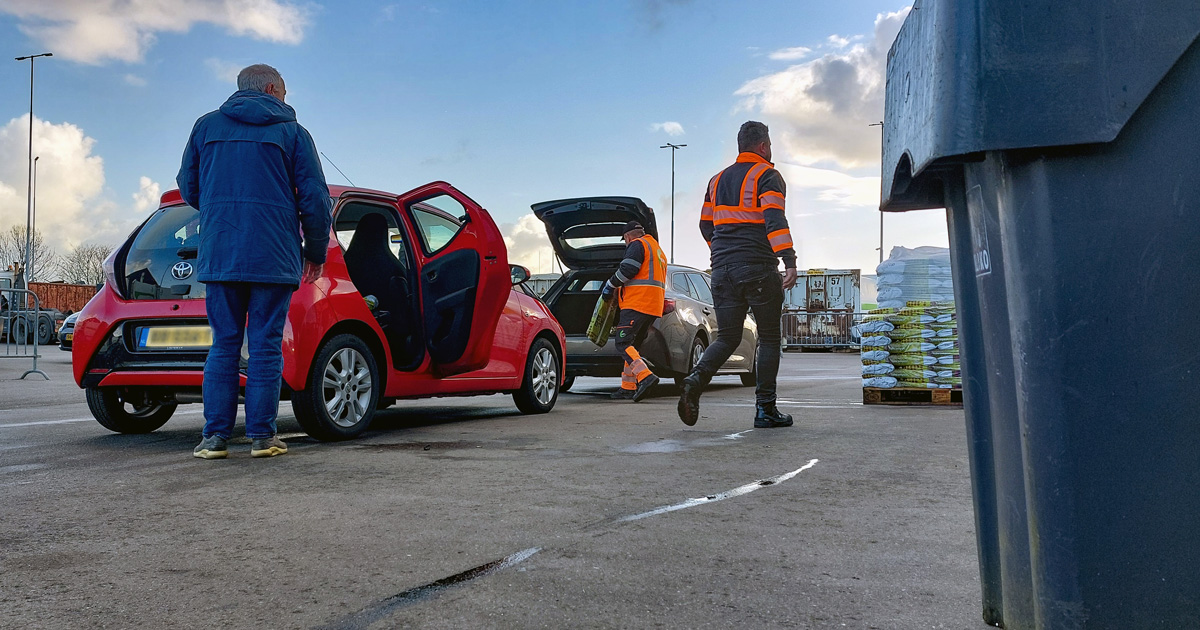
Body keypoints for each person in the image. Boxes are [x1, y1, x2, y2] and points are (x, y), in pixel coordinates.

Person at [177, 64, 332, 459]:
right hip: (273, 253)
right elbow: (314, 198)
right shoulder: (293, 133)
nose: (285, 99)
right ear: (270, 89)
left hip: (222, 250)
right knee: (264, 344)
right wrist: (314, 251)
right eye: (283, 92)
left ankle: (214, 439)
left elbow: (188, 185)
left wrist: (218, 212)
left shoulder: (205, 127)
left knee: (224, 345)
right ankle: (263, 437)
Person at [677, 121, 798, 428]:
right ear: (763, 146)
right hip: (758, 268)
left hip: (722, 271)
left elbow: (706, 226)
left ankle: (695, 380)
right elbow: (774, 218)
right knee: (769, 338)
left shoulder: (716, 181)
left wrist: (722, 251)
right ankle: (765, 410)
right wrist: (789, 260)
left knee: (728, 337)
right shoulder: (768, 175)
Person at [600, 220, 667, 402]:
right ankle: (627, 388)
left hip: (637, 302)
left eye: (625, 240)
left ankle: (646, 376)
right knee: (632, 346)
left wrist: (610, 284)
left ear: (628, 237)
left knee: (622, 343)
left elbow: (629, 269)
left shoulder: (638, 245)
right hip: (653, 305)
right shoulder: (657, 249)